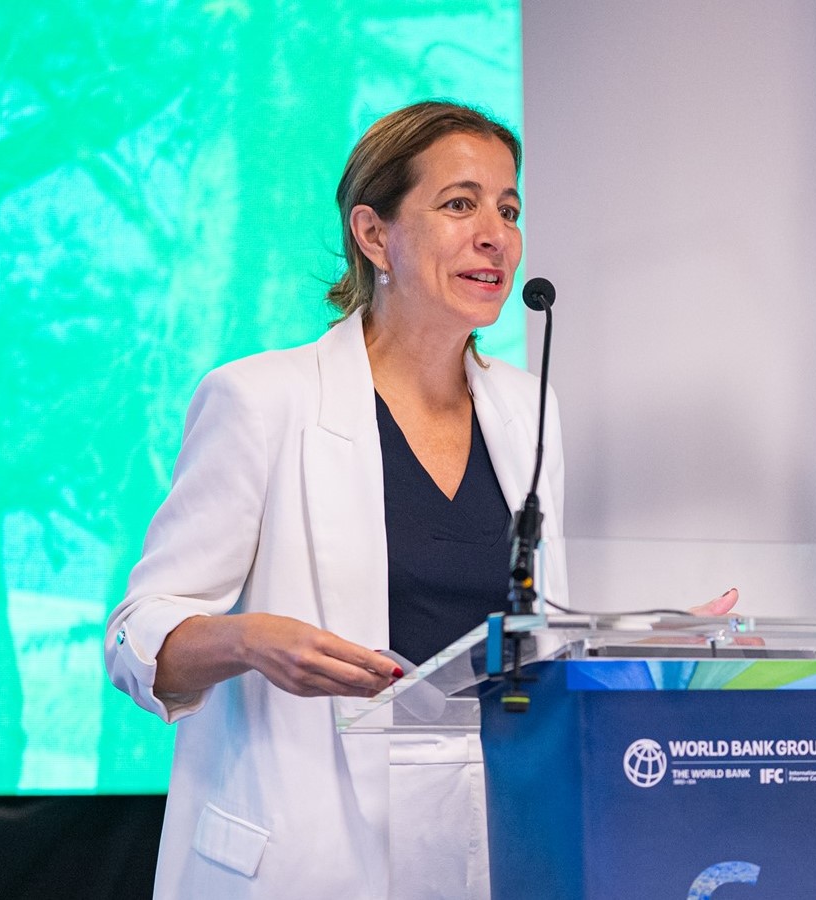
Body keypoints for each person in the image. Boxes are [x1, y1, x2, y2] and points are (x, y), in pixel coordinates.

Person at [105, 101, 560, 900]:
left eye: (509, 209)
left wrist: (645, 648)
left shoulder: (530, 408)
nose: (496, 235)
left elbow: (535, 639)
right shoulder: (260, 399)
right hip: (306, 860)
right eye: (460, 204)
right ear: (374, 234)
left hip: (489, 845)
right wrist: (249, 640)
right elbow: (135, 637)